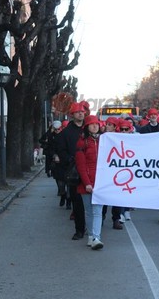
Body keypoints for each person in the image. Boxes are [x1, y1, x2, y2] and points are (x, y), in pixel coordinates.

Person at [57, 102, 86, 240]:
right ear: (72, 115)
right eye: (77, 112)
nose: (80, 113)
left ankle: (95, 227)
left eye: (82, 112)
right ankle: (79, 229)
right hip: (75, 171)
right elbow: (61, 150)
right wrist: (70, 160)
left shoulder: (89, 128)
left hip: (91, 169)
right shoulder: (66, 133)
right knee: (77, 201)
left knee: (94, 201)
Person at [75, 115, 104, 250]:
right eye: (92, 125)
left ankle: (96, 237)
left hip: (101, 182)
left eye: (96, 124)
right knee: (89, 211)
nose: (95, 126)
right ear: (87, 127)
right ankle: (91, 236)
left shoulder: (104, 141)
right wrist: (87, 183)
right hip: (86, 182)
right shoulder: (82, 143)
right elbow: (81, 166)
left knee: (97, 211)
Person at [101, 117, 124, 229]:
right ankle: (101, 216)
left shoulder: (120, 138)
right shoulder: (102, 137)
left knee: (117, 196)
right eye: (107, 124)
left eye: (110, 125)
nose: (108, 126)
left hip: (117, 170)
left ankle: (116, 218)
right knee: (104, 195)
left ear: (115, 127)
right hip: (105, 170)